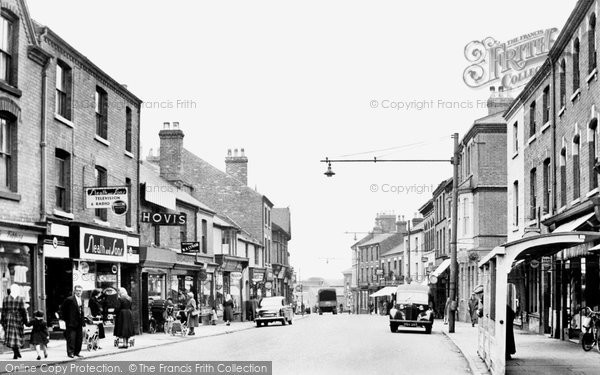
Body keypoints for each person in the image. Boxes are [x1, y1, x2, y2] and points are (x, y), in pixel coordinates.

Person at [1, 284, 27, 359]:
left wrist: (2, 321)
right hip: (18, 319)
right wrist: (25, 321)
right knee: (18, 336)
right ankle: (16, 352)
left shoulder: (5, 299)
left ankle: (15, 352)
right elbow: (23, 311)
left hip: (8, 319)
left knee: (10, 337)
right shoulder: (20, 299)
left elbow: (3, 311)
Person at [61, 285, 85, 358]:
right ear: (74, 291)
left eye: (80, 291)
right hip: (71, 322)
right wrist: (66, 320)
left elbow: (82, 311)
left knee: (79, 338)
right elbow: (63, 310)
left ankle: (77, 352)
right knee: (71, 338)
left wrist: (83, 322)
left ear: (82, 291)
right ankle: (70, 352)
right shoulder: (69, 299)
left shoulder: (82, 299)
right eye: (77, 290)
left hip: (79, 322)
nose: (78, 292)